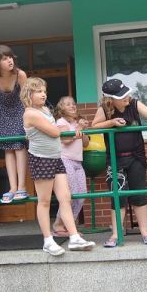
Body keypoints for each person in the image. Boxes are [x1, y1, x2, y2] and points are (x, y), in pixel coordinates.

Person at [20, 77, 95, 256]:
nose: (43, 94)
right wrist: (69, 129)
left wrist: (66, 130)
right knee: (44, 201)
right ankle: (48, 240)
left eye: (44, 91)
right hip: (41, 159)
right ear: (29, 94)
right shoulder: (30, 113)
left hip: (56, 158)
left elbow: (57, 132)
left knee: (65, 197)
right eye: (38, 91)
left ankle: (74, 237)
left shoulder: (46, 110)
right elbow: (55, 132)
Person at [91, 78, 147, 247]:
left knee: (139, 195)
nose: (127, 97)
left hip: (137, 157)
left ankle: (145, 233)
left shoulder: (134, 104)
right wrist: (111, 123)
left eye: (126, 93)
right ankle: (116, 235)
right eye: (122, 96)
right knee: (118, 197)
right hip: (115, 160)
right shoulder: (104, 109)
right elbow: (94, 126)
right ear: (110, 99)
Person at [0, 45, 28, 204]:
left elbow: (27, 103)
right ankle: (13, 187)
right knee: (8, 149)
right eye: (4, 58)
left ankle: (22, 186)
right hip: (2, 113)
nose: (10, 60)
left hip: (20, 111)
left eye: (10, 57)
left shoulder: (20, 74)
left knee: (19, 146)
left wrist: (30, 126)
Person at [51, 96, 90, 236]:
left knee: (82, 194)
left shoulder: (77, 122)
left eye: (73, 103)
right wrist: (79, 128)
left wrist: (83, 130)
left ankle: (69, 225)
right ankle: (58, 225)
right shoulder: (60, 122)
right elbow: (66, 139)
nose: (72, 106)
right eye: (68, 104)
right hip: (65, 160)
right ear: (61, 108)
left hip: (78, 162)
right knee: (70, 194)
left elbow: (86, 143)